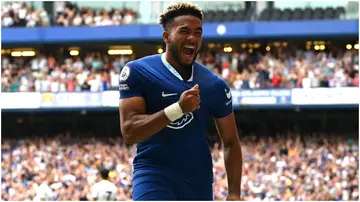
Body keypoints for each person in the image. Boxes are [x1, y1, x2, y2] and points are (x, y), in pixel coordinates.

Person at [119, 2, 242, 201]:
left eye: (198, 32)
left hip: (198, 181)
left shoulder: (214, 85)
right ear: (166, 37)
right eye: (184, 31)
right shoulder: (138, 72)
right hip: (153, 175)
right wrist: (178, 109)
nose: (192, 37)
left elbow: (231, 141)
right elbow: (130, 131)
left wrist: (234, 193)